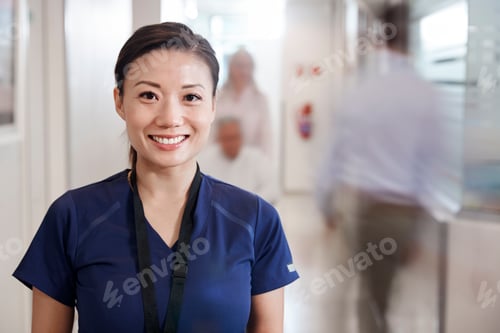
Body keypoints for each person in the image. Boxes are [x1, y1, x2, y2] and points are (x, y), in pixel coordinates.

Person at [13, 22, 298, 333]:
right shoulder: (73, 217)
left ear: (214, 104)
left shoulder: (256, 221)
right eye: (149, 95)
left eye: (191, 97)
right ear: (120, 101)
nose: (169, 119)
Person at [316, 4, 458, 333]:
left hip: (361, 209)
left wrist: (325, 206)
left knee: (358, 301)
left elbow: (333, 157)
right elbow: (432, 165)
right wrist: (418, 227)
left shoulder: (362, 91)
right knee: (384, 300)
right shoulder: (428, 95)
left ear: (379, 40)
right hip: (403, 214)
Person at [199, 117, 279, 204]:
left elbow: (272, 189)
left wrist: (249, 203)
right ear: (219, 139)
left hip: (251, 211)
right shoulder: (205, 160)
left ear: (241, 137)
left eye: (234, 137)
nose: (231, 143)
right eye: (227, 138)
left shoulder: (256, 158)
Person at [214, 48, 272, 156]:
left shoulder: (260, 99)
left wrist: (266, 166)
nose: (244, 71)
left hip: (251, 162)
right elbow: (211, 135)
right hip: (221, 160)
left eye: (248, 66)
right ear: (230, 67)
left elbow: (266, 139)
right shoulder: (218, 97)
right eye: (239, 65)